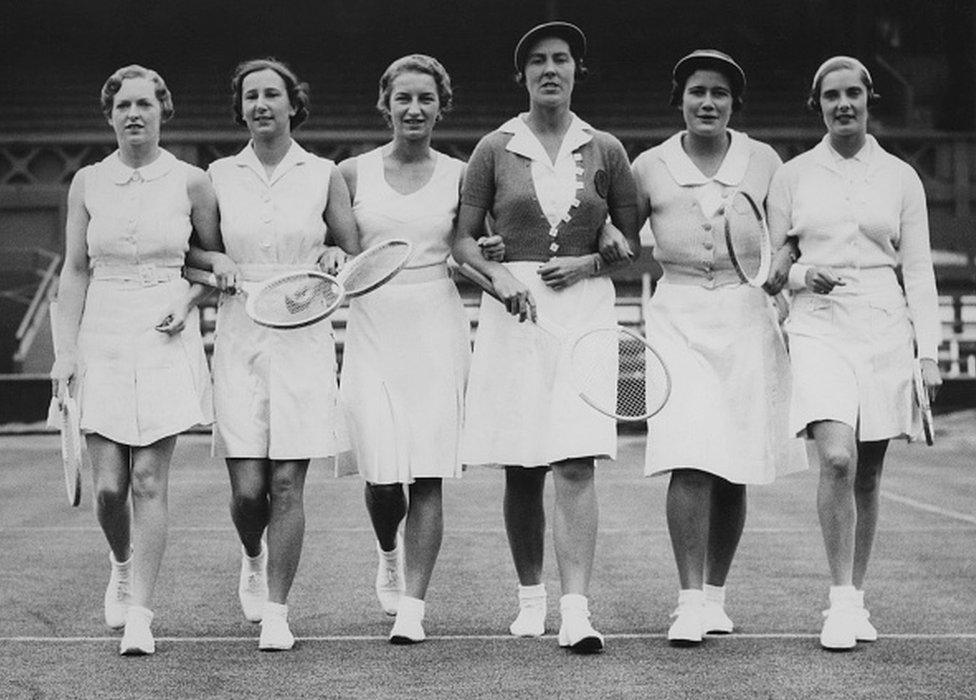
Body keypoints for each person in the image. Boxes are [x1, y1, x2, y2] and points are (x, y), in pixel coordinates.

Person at [452, 22, 639, 653]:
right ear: (523, 75)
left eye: (561, 59)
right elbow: (461, 236)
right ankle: (530, 598)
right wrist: (498, 276)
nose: (550, 69)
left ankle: (577, 609)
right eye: (537, 61)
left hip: (585, 310)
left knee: (577, 459)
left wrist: (599, 254)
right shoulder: (494, 147)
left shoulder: (607, 149)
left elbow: (631, 242)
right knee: (523, 466)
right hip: (516, 311)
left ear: (577, 70)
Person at [628, 50, 807, 646]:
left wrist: (781, 265)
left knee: (734, 465)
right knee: (690, 455)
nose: (708, 102)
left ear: (734, 104)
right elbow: (619, 239)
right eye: (698, 91)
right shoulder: (649, 165)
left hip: (744, 315)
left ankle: (715, 597)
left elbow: (788, 238)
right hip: (677, 317)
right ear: (679, 98)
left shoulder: (763, 160)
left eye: (720, 95)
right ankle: (686, 601)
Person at [767, 56, 941, 651]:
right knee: (836, 458)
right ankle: (838, 603)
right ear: (816, 104)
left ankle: (856, 597)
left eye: (853, 95)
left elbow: (917, 270)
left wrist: (928, 353)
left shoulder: (901, 177)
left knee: (867, 472)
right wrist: (803, 275)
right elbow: (772, 267)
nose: (843, 105)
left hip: (885, 325)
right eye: (831, 96)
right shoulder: (791, 177)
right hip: (818, 326)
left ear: (870, 100)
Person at [190, 57, 360, 651]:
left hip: (304, 332)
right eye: (250, 96)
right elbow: (197, 257)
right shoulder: (217, 174)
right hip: (240, 333)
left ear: (294, 103)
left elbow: (349, 248)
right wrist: (217, 264)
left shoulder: (323, 173)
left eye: (272, 94)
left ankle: (279, 612)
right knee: (247, 493)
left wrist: (338, 258)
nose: (261, 104)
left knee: (287, 485)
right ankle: (252, 553)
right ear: (240, 108)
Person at [50, 65, 219, 655]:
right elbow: (74, 270)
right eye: (123, 105)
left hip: (164, 331)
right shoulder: (86, 183)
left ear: (162, 110)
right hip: (102, 330)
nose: (134, 114)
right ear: (110, 114)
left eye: (145, 103)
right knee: (108, 490)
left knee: (147, 481)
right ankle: (119, 564)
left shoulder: (193, 182)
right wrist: (64, 351)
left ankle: (141, 613)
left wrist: (188, 296)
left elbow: (212, 264)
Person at [338, 54, 501, 644]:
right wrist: (334, 258)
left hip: (436, 321)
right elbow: (340, 252)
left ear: (440, 106)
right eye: (403, 98)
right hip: (372, 323)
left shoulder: (461, 174)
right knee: (384, 478)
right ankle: (388, 551)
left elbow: (468, 250)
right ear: (386, 104)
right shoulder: (350, 174)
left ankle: (413, 606)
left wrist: (495, 262)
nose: (414, 109)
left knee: (427, 474)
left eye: (425, 99)